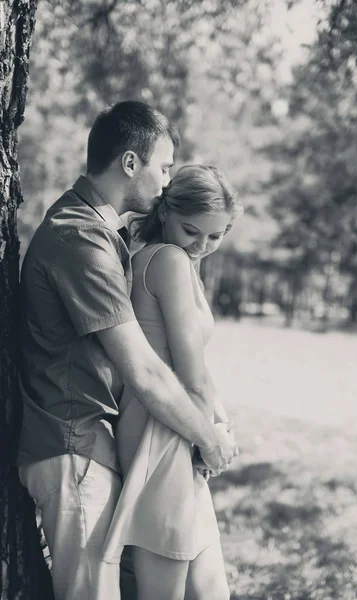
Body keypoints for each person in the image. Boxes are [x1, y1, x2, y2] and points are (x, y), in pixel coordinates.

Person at [17, 101, 238, 600]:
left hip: (95, 445)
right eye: (163, 166)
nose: (167, 181)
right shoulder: (78, 238)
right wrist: (211, 438)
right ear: (130, 163)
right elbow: (144, 370)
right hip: (71, 445)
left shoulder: (102, 236)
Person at [100, 165, 244, 600]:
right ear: (165, 212)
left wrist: (221, 423)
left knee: (210, 589)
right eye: (191, 230)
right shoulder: (168, 260)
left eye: (215, 236)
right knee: (164, 591)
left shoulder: (178, 260)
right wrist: (210, 438)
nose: (202, 246)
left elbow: (198, 369)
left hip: (181, 422)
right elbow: (189, 372)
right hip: (161, 430)